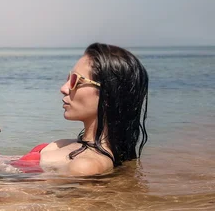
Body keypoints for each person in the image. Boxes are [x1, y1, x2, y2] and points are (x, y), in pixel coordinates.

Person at [12, 43, 149, 176]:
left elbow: (25, 195)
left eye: (75, 81)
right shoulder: (72, 145)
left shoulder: (86, 165)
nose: (63, 88)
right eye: (68, 78)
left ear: (107, 96)